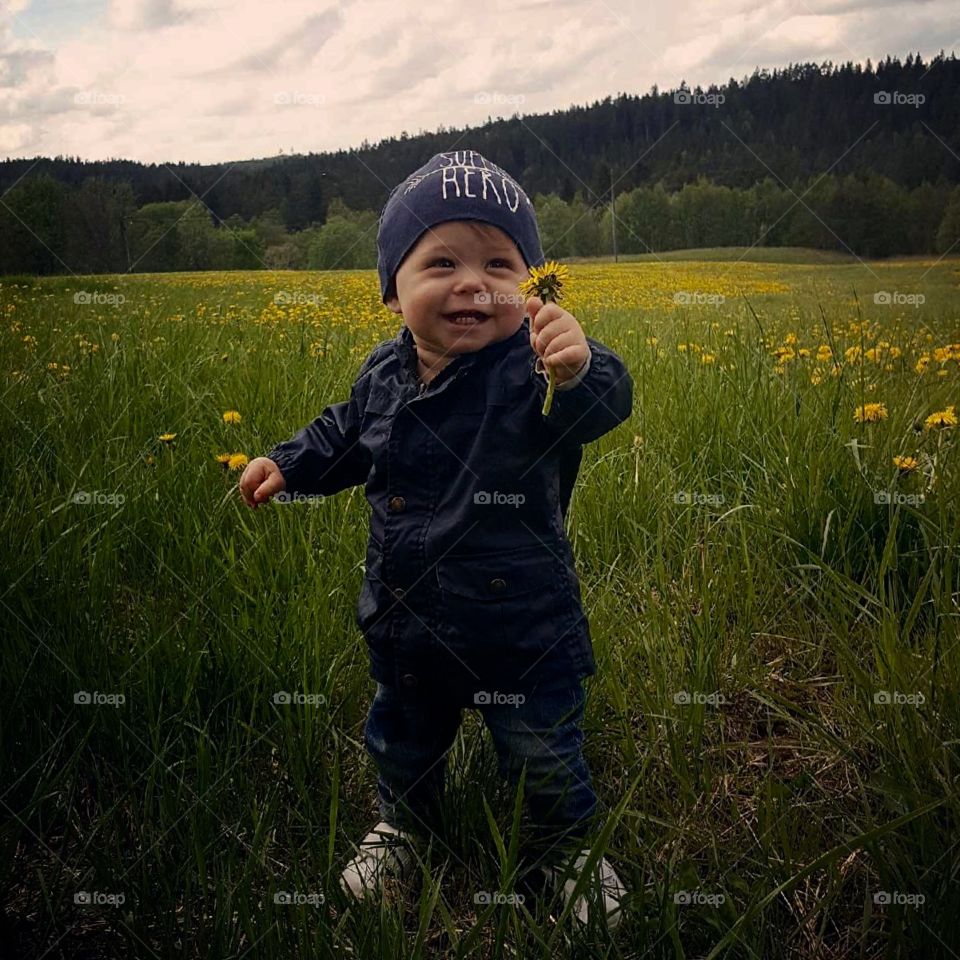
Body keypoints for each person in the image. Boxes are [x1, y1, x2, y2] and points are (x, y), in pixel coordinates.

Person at [238, 149, 633, 929]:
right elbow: (343, 438)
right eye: (441, 261)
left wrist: (579, 367)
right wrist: (285, 464)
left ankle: (564, 846)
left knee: (543, 752)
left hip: (522, 628)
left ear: (531, 286)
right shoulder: (381, 377)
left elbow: (600, 408)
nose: (473, 283)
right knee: (402, 740)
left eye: (500, 264)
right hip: (407, 616)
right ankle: (403, 827)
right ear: (393, 291)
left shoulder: (531, 371)